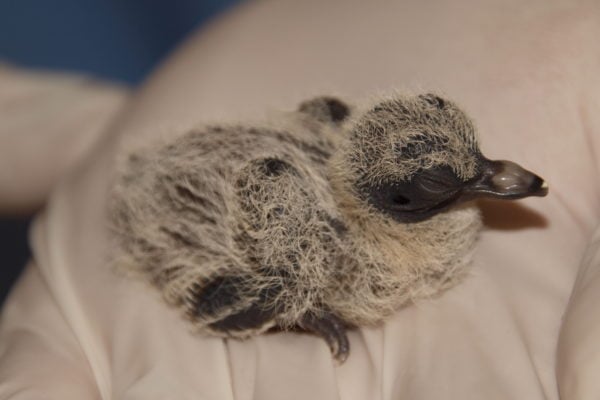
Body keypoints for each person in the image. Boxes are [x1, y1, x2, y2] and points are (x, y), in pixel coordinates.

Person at [0, 0, 599, 398]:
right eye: (438, 187)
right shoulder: (323, 246)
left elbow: (323, 118)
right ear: (395, 201)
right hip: (196, 199)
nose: (507, 179)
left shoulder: (346, 135)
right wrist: (293, 300)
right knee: (290, 268)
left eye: (478, 162)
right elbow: (271, 186)